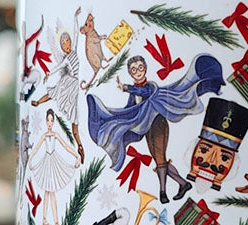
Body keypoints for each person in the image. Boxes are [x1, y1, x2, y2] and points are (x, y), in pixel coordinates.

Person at [87, 53, 223, 203]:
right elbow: (130, 109)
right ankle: (183, 184)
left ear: (145, 69)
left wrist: (126, 87)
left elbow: (144, 92)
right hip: (146, 128)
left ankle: (163, 192)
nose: (138, 72)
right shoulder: (133, 94)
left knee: (159, 159)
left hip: (158, 123)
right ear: (130, 73)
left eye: (140, 68)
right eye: (134, 70)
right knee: (160, 159)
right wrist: (119, 121)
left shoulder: (151, 86)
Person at [31, 7, 84, 152]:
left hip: (77, 84)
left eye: (67, 41)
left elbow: (76, 32)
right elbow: (58, 67)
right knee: (55, 92)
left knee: (75, 117)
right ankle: (38, 101)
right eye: (63, 44)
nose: (66, 45)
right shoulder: (66, 59)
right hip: (70, 83)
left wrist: (75, 17)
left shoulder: (75, 51)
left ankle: (79, 145)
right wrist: (48, 73)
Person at [28, 108, 83, 225]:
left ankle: (51, 221)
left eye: (51, 120)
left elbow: (66, 146)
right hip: (47, 161)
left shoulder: (55, 135)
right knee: (48, 191)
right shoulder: (45, 135)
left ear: (53, 122)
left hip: (53, 160)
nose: (49, 122)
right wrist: (30, 160)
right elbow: (36, 148)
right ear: (46, 121)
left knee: (49, 191)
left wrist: (77, 155)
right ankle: (50, 221)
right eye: (48, 120)